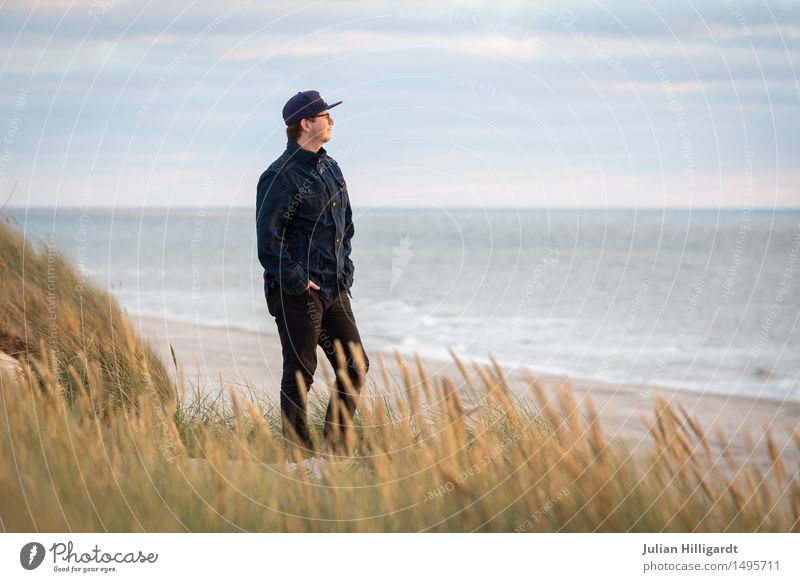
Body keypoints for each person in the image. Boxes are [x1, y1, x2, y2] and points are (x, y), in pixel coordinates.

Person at [256, 90, 369, 461]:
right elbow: (269, 241)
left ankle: (336, 446)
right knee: (301, 371)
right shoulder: (277, 176)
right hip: (296, 292)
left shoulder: (332, 167)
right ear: (305, 124)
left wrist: (345, 269)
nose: (332, 121)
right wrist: (297, 280)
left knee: (355, 365)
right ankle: (298, 453)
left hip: (335, 287)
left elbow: (345, 225)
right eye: (325, 115)